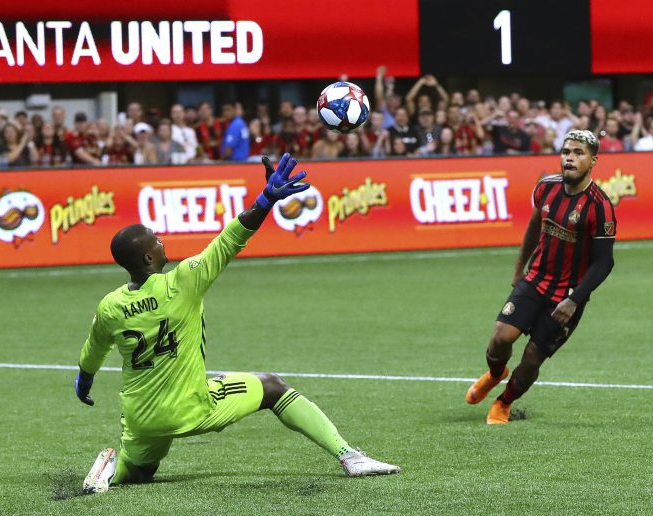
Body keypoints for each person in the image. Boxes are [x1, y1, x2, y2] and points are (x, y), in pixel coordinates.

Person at [75, 154, 401, 493]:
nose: (161, 241)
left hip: (142, 417)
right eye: (155, 239)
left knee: (142, 470)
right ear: (147, 257)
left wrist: (85, 380)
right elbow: (230, 239)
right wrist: (265, 201)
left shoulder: (110, 305)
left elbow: (92, 351)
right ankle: (349, 456)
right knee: (273, 386)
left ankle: (111, 472)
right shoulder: (183, 282)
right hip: (190, 407)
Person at [465, 130, 616, 424]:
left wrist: (574, 300)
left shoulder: (600, 206)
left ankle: (503, 403)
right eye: (566, 151)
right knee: (500, 338)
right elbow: (535, 226)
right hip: (535, 280)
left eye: (578, 153)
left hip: (568, 295)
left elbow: (604, 262)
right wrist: (519, 268)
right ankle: (495, 374)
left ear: (593, 160)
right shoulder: (546, 188)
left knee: (533, 357)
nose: (569, 158)